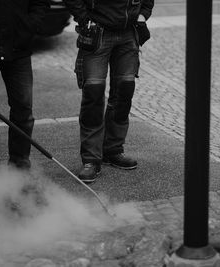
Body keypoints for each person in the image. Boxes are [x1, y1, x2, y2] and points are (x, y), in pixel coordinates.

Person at [64, 0, 154, 183]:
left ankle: (113, 150)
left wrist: (143, 14)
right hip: (97, 32)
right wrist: (84, 19)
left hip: (129, 32)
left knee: (124, 93)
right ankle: (91, 159)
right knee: (93, 95)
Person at [0, 0, 47, 170]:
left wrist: (28, 27)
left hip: (18, 47)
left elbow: (41, 4)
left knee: (23, 109)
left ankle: (19, 165)